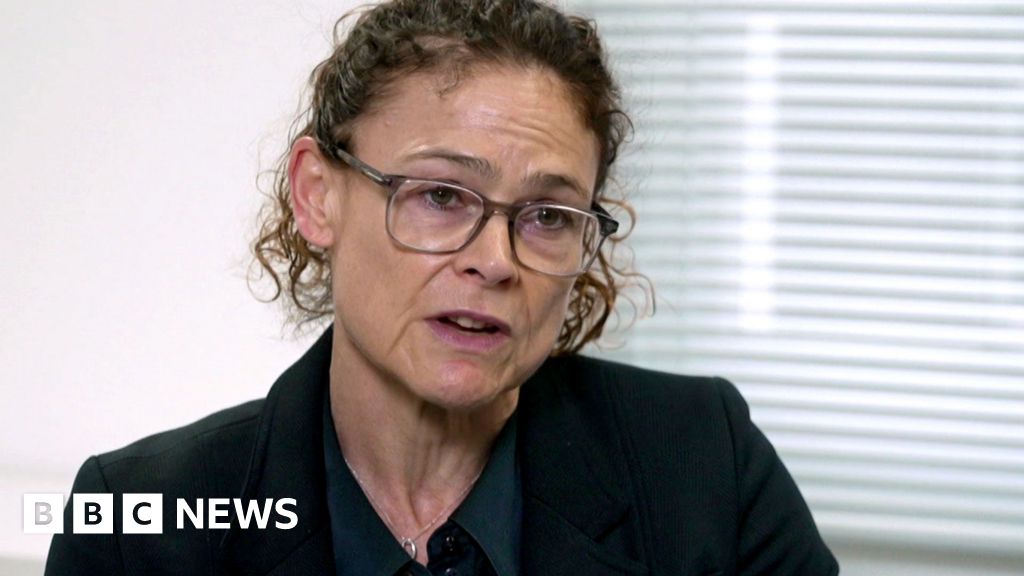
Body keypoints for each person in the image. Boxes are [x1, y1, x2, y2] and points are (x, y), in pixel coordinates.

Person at [46, 1, 839, 574]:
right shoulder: (140, 521)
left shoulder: (704, 466)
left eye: (547, 215)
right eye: (440, 195)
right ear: (317, 196)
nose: (495, 260)